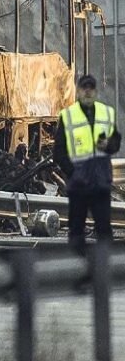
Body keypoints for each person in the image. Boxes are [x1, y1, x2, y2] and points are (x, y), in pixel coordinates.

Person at [53, 74, 121, 256]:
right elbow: (58, 152)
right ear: (78, 91)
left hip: (100, 183)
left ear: (96, 91)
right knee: (76, 230)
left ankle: (104, 273)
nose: (88, 91)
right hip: (79, 185)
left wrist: (109, 145)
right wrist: (73, 173)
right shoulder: (68, 116)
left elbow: (116, 141)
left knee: (104, 230)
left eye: (91, 88)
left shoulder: (106, 113)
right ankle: (78, 272)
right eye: (84, 88)